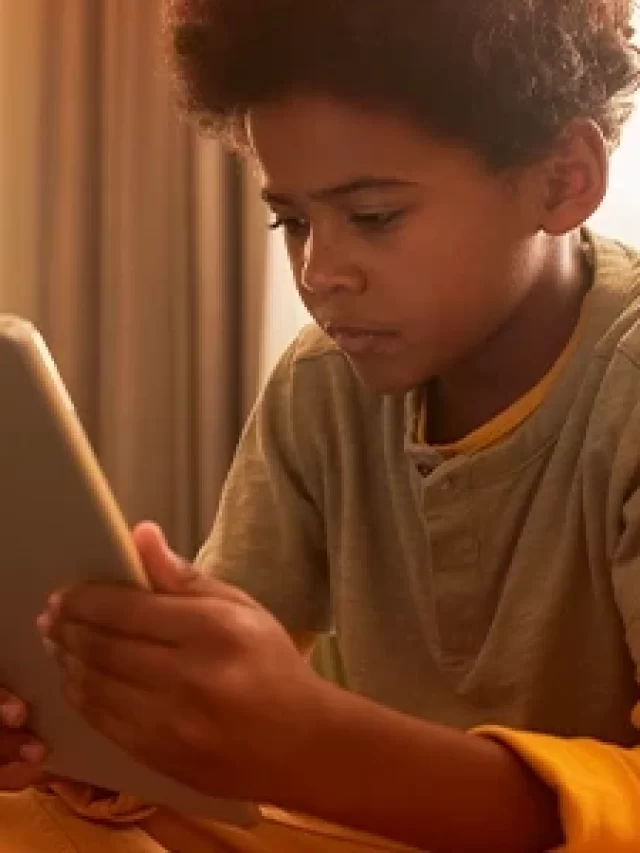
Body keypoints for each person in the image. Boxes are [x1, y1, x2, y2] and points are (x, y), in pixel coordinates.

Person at [1, 0, 640, 850]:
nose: (319, 271)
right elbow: (225, 713)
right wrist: (98, 732)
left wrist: (306, 743)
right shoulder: (322, 382)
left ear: (562, 180)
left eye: (373, 217)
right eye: (293, 220)